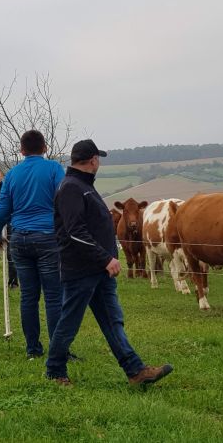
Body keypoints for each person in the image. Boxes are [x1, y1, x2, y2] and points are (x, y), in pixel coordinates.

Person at [46, 139, 173, 386]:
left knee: (112, 320)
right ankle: (54, 371)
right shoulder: (72, 187)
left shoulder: (83, 186)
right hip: (81, 269)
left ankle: (135, 371)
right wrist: (105, 258)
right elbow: (74, 231)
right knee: (69, 321)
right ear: (93, 160)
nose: (99, 163)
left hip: (98, 270)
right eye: (98, 159)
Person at [0, 130, 65, 360]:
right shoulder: (54, 169)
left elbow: (2, 209)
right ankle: (58, 349)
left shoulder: (12, 174)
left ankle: (33, 349)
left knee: (28, 296)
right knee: (53, 296)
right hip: (47, 237)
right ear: (44, 147)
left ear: (21, 150)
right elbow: (64, 201)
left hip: (20, 238)